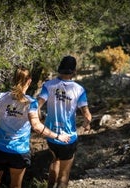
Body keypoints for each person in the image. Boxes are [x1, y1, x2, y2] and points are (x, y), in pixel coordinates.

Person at [0, 67, 70, 188]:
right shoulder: (31, 102)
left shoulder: (0, 97)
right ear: (29, 81)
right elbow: (36, 127)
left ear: (13, 79)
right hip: (19, 152)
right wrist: (58, 136)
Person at [37, 55, 92, 188]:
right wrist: (86, 125)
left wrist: (41, 119)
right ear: (74, 71)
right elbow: (87, 115)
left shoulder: (48, 85)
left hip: (51, 135)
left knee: (55, 161)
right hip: (68, 138)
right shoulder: (79, 89)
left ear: (60, 69)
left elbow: (36, 106)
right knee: (64, 175)